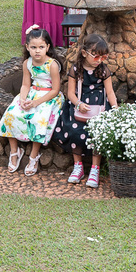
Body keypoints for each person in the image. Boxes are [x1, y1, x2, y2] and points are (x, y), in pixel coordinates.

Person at [49, 33, 116, 188]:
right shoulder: (76, 69)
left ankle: (95, 168)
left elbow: (110, 92)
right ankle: (77, 165)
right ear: (85, 53)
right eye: (96, 56)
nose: (99, 60)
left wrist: (115, 108)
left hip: (99, 106)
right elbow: (70, 93)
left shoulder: (103, 70)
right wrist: (78, 104)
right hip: (79, 106)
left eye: (103, 57)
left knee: (99, 133)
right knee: (74, 131)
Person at [0, 26, 63, 175]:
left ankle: (34, 154)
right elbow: (26, 84)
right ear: (27, 47)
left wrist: (35, 103)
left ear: (47, 47)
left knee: (38, 119)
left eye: (41, 47)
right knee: (12, 114)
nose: (37, 51)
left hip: (48, 97)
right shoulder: (27, 63)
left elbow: (55, 90)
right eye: (33, 47)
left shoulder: (52, 65)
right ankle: (15, 151)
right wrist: (22, 99)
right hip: (32, 93)